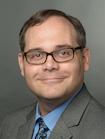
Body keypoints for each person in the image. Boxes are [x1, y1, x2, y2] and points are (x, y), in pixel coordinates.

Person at [0, 9, 105, 139]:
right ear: (22, 64)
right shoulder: (9, 125)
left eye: (63, 53)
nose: (49, 66)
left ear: (85, 59)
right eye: (37, 55)